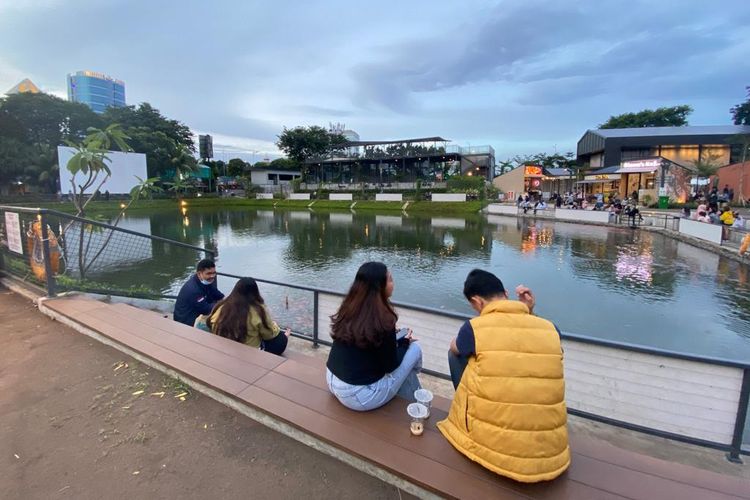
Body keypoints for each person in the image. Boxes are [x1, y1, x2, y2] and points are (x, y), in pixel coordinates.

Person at [437, 269, 569, 483]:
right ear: (506, 293)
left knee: (459, 357)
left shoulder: (474, 328)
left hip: (494, 451)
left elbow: (456, 348)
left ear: (477, 302)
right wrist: (530, 312)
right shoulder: (550, 329)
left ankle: (470, 419)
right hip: (552, 454)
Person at [325, 262, 422, 411]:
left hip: (332, 380)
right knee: (415, 349)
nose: (393, 283)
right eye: (390, 279)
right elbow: (391, 366)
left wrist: (393, 340)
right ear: (380, 287)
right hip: (359, 396)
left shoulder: (349, 308)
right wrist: (404, 344)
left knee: (399, 358)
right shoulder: (383, 319)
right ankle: (418, 402)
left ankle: (413, 394)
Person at [207, 277, 290, 355]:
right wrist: (281, 333)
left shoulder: (221, 305)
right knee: (280, 340)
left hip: (223, 345)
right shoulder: (258, 309)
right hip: (248, 352)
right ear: (255, 292)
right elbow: (269, 334)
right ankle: (285, 336)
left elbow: (210, 323)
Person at [173, 259, 225, 327]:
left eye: (214, 273)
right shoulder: (193, 290)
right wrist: (224, 306)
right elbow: (205, 309)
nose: (212, 276)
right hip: (185, 322)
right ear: (199, 274)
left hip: (196, 314)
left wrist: (228, 301)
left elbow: (218, 295)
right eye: (209, 273)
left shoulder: (207, 282)